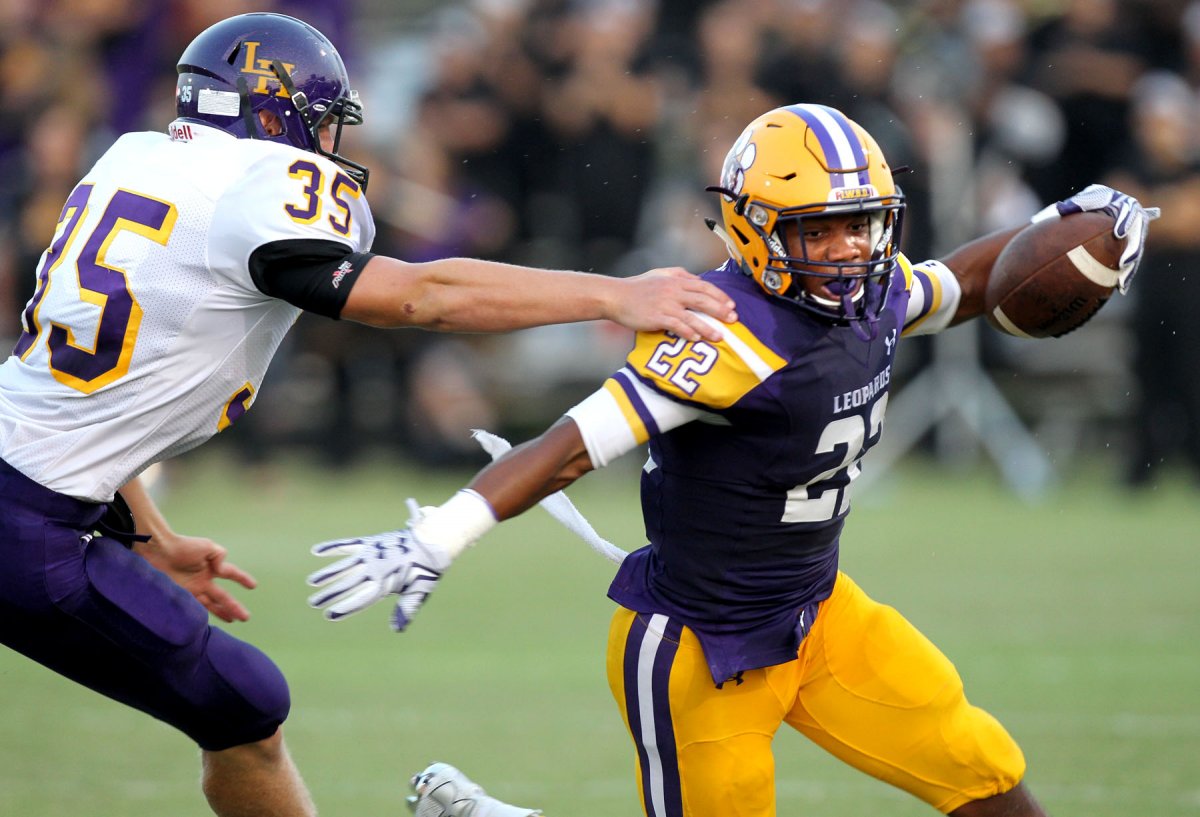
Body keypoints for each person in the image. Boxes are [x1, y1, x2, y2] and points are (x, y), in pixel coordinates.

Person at [308, 104, 1158, 817]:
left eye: (863, 225)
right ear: (754, 230)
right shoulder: (724, 333)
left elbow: (968, 284)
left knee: (989, 775)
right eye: (819, 232)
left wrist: (1066, 222)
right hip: (698, 651)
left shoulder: (877, 290)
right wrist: (441, 535)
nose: (848, 251)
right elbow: (567, 448)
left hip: (821, 615)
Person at [0, 12, 739, 817]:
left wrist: (148, 530)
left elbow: (92, 388)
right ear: (275, 111)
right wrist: (614, 294)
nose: (326, 139)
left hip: (34, 473)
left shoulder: (134, 157)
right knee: (246, 703)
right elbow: (422, 296)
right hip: (27, 519)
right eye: (319, 119)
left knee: (242, 709)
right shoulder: (263, 187)